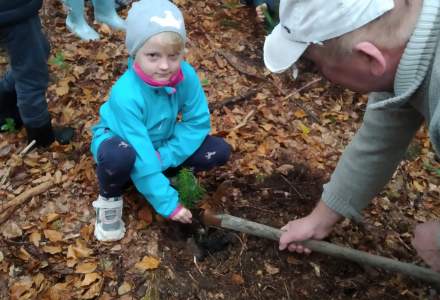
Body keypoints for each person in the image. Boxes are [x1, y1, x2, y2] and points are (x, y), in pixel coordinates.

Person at [263, 0, 440, 271]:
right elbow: (379, 138)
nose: (322, 77)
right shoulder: (404, 48)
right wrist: (319, 219)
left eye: (316, 66)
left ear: (370, 59)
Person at [90, 0, 231, 241]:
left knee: (218, 151)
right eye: (153, 55)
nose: (165, 66)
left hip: (161, 143)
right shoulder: (126, 94)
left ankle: (161, 175)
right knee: (120, 156)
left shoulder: (185, 76)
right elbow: (141, 150)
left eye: (173, 56)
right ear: (135, 53)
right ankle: (110, 197)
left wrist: (164, 156)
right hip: (122, 142)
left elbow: (197, 123)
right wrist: (169, 205)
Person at [0, 0, 74, 147]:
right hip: (11, 10)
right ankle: (41, 136)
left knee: (39, 50)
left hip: (13, 9)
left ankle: (4, 106)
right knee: (31, 74)